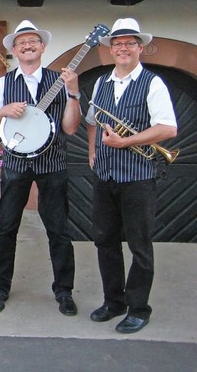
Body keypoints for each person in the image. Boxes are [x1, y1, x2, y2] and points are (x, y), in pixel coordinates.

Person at [0, 20, 81, 316]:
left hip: (53, 164)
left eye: (33, 41)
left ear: (43, 47)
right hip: (15, 164)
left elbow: (71, 128)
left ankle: (64, 291)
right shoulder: (3, 83)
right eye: (21, 41)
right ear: (13, 49)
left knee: (59, 230)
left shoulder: (60, 80)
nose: (27, 45)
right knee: (6, 227)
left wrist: (74, 93)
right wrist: (2, 111)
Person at [86, 18, 177, 334]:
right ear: (111, 49)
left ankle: (139, 308)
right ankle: (114, 302)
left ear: (140, 47)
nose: (123, 48)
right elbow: (95, 121)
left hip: (138, 176)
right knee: (104, 241)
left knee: (139, 245)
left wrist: (125, 141)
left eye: (129, 43)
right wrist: (92, 151)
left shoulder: (152, 83)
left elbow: (167, 128)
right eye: (117, 43)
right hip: (106, 174)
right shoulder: (101, 83)